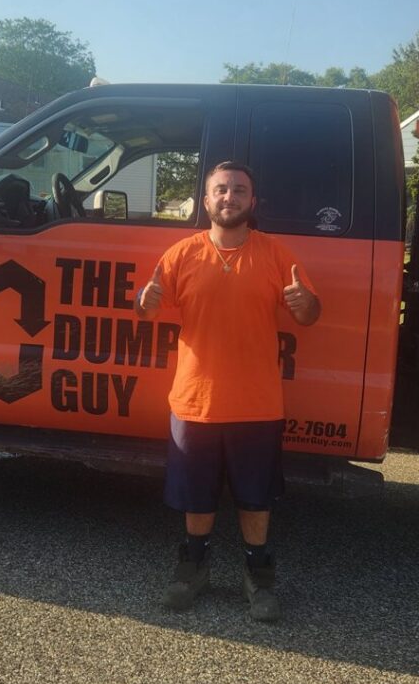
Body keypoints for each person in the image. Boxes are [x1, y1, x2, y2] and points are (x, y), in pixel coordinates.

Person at [136, 161, 321, 621]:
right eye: (221, 190)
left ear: (251, 202)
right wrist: (144, 304)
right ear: (206, 200)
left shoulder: (278, 256)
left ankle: (257, 576)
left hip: (257, 404)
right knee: (196, 496)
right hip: (195, 401)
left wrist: (306, 303)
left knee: (255, 497)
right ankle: (193, 567)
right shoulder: (181, 254)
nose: (230, 197)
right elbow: (149, 308)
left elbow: (308, 315)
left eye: (239, 190)